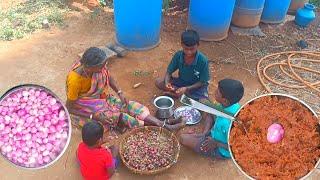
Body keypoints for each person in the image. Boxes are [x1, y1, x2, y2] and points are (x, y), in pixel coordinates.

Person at [66, 47, 184, 130]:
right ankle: (165, 126)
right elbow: (69, 108)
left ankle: (164, 123)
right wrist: (93, 116)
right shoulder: (75, 80)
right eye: (101, 66)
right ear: (90, 67)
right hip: (87, 107)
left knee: (131, 106)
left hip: (103, 98)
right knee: (121, 117)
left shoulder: (97, 69)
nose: (104, 68)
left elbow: (108, 76)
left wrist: (120, 92)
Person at [179, 79, 244, 159]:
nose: (214, 91)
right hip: (216, 133)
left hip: (220, 148)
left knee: (183, 138)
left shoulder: (228, 124)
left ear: (225, 101)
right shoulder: (234, 105)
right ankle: (205, 133)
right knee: (208, 107)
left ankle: (210, 143)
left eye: (217, 92)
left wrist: (216, 143)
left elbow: (236, 147)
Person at [155, 29, 210, 101]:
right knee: (159, 82)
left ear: (198, 45)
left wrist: (187, 88)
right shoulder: (178, 55)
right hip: (182, 82)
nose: (189, 52)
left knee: (203, 101)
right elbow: (169, 72)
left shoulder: (203, 60)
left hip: (196, 86)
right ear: (181, 45)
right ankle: (181, 94)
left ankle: (177, 94)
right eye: (186, 49)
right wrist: (167, 83)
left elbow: (203, 82)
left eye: (192, 49)